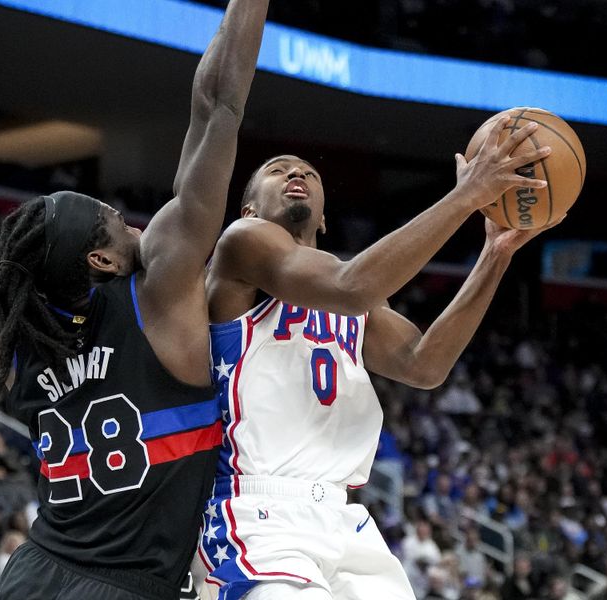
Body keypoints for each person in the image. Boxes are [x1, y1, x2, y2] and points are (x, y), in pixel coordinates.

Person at [0, 1, 269, 598]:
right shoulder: (157, 293)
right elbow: (220, 105)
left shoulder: (11, 332)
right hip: (126, 586)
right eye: (112, 220)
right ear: (99, 261)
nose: (127, 221)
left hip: (32, 575)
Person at [192, 121, 560, 600]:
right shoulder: (241, 246)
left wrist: (495, 254)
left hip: (344, 518)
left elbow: (423, 364)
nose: (295, 174)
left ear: (324, 219)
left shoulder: (352, 291)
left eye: (308, 172)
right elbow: (352, 285)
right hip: (256, 510)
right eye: (278, 171)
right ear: (249, 209)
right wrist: (466, 195)